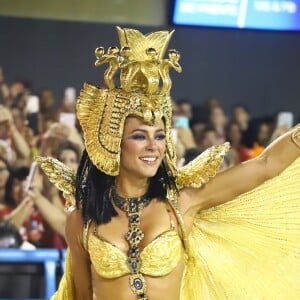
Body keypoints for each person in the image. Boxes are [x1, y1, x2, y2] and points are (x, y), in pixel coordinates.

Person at [37, 27, 300, 300]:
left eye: (160, 136)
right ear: (113, 142)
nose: (153, 146)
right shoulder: (82, 218)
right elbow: (80, 297)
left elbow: (265, 165)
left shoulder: (181, 204)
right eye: (140, 136)